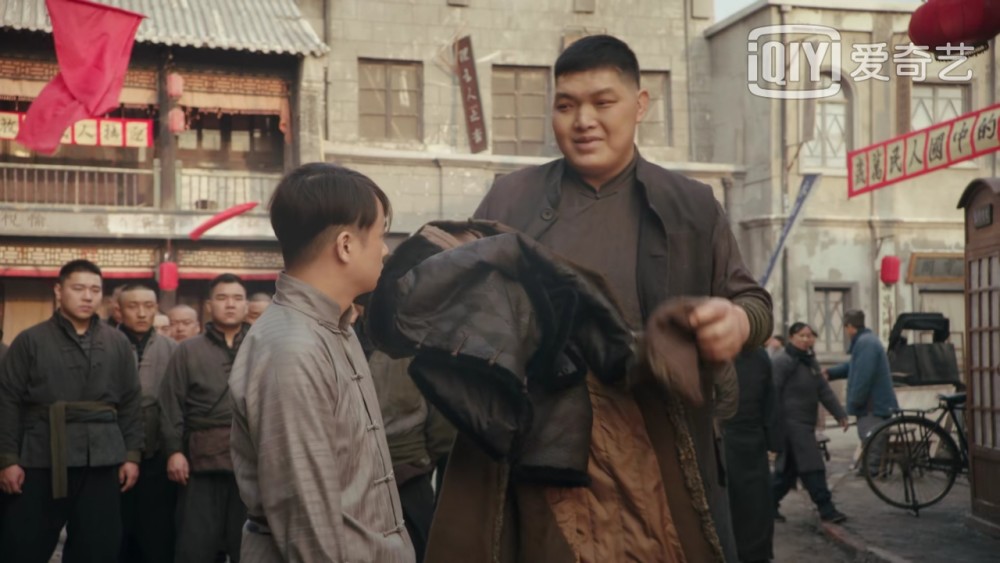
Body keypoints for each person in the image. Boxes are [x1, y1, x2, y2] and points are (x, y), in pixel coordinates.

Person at [427, 35, 772, 562]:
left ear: (640, 104)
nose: (583, 121)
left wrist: (738, 322)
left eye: (602, 102)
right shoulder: (510, 198)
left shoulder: (691, 205)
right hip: (542, 466)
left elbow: (753, 303)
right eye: (566, 106)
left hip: (659, 461)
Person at [229, 163, 413, 562]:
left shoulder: (334, 327)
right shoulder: (292, 349)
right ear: (345, 245)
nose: (385, 250)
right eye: (380, 236)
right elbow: (306, 526)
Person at [0, 259, 143, 562]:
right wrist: (8, 459)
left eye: (95, 290)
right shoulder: (30, 340)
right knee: (23, 543)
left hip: (102, 455)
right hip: (41, 453)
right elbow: (7, 401)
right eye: (78, 288)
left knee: (98, 545)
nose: (87, 296)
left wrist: (131, 455)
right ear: (58, 290)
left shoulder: (117, 342)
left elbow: (131, 401)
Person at [160, 274, 250, 563]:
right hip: (200, 459)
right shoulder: (188, 350)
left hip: (250, 460)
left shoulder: (262, 346)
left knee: (248, 546)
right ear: (209, 305)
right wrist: (174, 451)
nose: (230, 304)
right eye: (222, 298)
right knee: (195, 545)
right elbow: (171, 404)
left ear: (246, 305)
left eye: (237, 298)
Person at [367, 350, 455, 563]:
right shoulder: (419, 351)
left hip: (369, 480)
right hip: (411, 476)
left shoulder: (351, 348)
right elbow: (442, 432)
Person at [117, 284, 179, 563]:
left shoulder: (174, 350)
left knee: (156, 534)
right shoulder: (107, 344)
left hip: (158, 454)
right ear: (118, 310)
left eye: (149, 306)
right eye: (133, 306)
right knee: (116, 534)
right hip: (114, 454)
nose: (142, 313)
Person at [772, 322, 849, 524]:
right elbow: (772, 392)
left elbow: (823, 390)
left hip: (805, 423)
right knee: (812, 465)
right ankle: (826, 509)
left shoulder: (810, 361)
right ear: (791, 338)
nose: (807, 339)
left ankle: (767, 505)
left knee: (787, 472)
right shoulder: (783, 361)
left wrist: (840, 414)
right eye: (802, 336)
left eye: (810, 336)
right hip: (791, 424)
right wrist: (774, 424)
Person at [825, 309, 899, 475]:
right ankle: (871, 469)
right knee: (871, 437)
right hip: (874, 402)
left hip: (872, 403)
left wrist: (854, 401)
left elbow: (863, 376)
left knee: (871, 437)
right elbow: (853, 366)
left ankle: (872, 470)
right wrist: (830, 373)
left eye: (845, 328)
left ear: (850, 327)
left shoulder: (865, 343)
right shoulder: (867, 341)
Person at [723, 347, 778, 563]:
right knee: (754, 504)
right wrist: (773, 440)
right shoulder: (758, 355)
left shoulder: (709, 348)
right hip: (748, 438)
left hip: (728, 436)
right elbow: (770, 401)